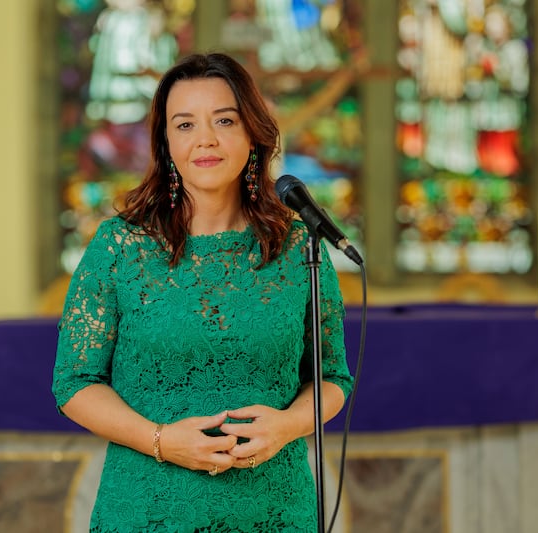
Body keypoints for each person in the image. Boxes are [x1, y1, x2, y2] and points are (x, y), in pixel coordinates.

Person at [52, 52, 354, 532]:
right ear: (166, 141)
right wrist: (161, 440)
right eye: (185, 124)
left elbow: (332, 377)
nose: (205, 140)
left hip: (274, 510)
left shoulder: (301, 247)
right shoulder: (119, 246)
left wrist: (289, 425)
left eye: (224, 120)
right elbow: (74, 382)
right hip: (147, 509)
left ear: (252, 132)